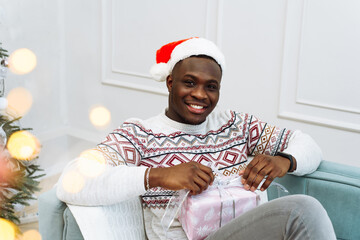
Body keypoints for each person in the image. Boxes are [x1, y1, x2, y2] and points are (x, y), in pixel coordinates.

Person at [57, 37, 336, 239]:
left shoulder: (235, 125)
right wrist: (158, 176)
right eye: (189, 82)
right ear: (170, 82)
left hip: (244, 229)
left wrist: (284, 161)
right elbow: (72, 181)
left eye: (211, 87)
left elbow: (308, 144)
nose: (201, 95)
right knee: (301, 209)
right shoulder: (140, 134)